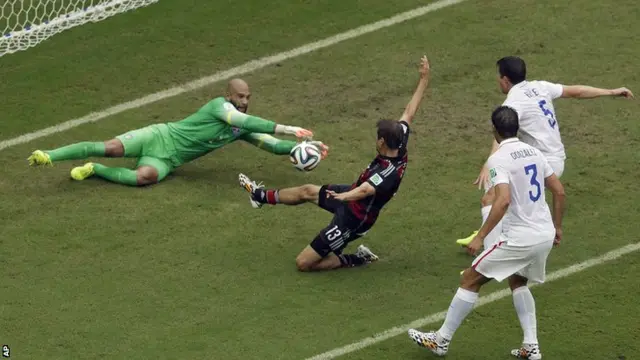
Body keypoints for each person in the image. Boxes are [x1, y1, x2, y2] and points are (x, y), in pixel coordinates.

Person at [237, 55, 430, 272]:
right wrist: (424, 78)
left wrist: (342, 197)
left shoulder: (387, 172)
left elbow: (365, 190)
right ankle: (259, 196)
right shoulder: (400, 141)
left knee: (304, 263)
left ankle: (358, 258)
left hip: (354, 218)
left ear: (382, 141)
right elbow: (409, 113)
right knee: (307, 191)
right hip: (351, 197)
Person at [409, 106, 566, 359]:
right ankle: (531, 345)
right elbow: (559, 191)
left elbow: (502, 201)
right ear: (517, 128)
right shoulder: (535, 152)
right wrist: (557, 227)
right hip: (544, 234)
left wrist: (480, 236)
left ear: (494, 130)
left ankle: (441, 340)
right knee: (518, 280)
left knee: (470, 278)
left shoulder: (499, 159)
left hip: (520, 238)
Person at [456, 56, 633, 249]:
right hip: (555, 158)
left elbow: (501, 132)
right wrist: (612, 91)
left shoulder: (514, 101)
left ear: (505, 80)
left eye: (499, 77)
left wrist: (488, 163)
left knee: (493, 199)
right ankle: (492, 235)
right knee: (505, 201)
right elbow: (577, 91)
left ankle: (489, 248)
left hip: (539, 162)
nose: (498, 81)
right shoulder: (540, 86)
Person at [27, 78, 328, 186]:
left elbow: (270, 144)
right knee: (108, 146)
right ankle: (48, 155)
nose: (244, 101)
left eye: (248, 97)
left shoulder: (237, 129)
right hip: (158, 136)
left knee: (143, 178)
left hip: (169, 160)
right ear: (228, 95)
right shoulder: (219, 108)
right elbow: (249, 123)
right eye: (240, 96)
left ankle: (94, 170)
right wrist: (289, 128)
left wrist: (303, 148)